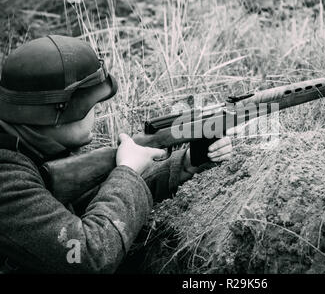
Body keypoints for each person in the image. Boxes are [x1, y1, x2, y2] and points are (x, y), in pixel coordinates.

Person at [0, 35, 233, 273]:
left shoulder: (29, 149)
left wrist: (185, 164)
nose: (98, 109)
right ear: (60, 112)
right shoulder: (7, 181)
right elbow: (91, 256)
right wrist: (127, 171)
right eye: (92, 103)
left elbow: (85, 201)